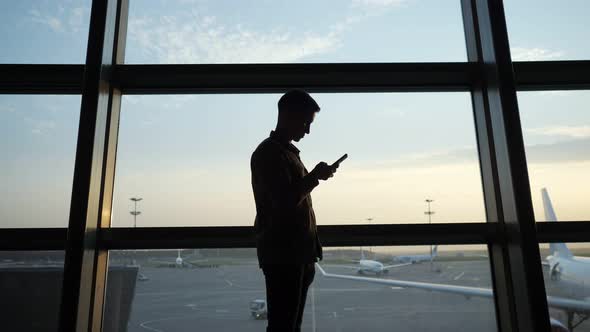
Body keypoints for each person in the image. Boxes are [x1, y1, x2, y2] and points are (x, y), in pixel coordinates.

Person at [250, 89, 338, 331]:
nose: (307, 131)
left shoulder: (284, 153)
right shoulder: (270, 154)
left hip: (294, 255)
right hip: (285, 255)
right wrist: (314, 177)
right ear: (289, 115)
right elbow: (284, 201)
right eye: (306, 122)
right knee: (284, 325)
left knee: (288, 324)